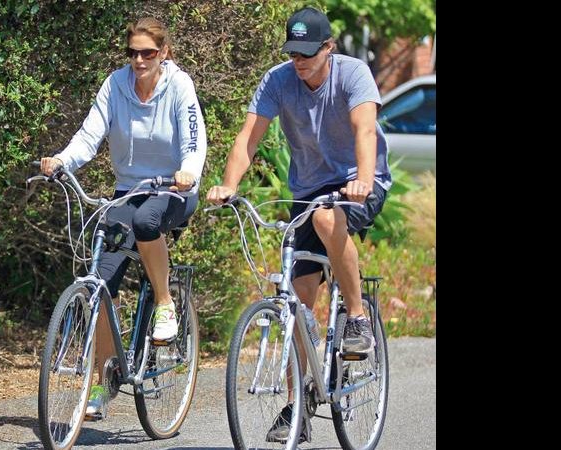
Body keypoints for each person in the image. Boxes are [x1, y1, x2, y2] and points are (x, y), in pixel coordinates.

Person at [206, 6, 391, 443]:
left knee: (330, 219)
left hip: (358, 182)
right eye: (293, 52)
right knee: (297, 298)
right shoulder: (277, 80)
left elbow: (365, 130)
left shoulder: (353, 74)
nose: (299, 60)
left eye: (309, 52)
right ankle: (299, 406)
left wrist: (363, 180)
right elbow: (248, 138)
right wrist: (228, 185)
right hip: (307, 188)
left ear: (328, 47)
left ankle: (358, 316)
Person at [40, 17, 207, 420]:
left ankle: (165, 303)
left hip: (173, 189)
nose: (139, 60)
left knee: (149, 222)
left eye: (148, 52)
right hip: (128, 191)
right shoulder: (115, 85)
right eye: (132, 52)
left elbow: (193, 139)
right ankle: (106, 378)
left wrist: (188, 171)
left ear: (163, 53)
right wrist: (63, 160)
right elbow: (89, 133)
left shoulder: (179, 87)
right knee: (100, 280)